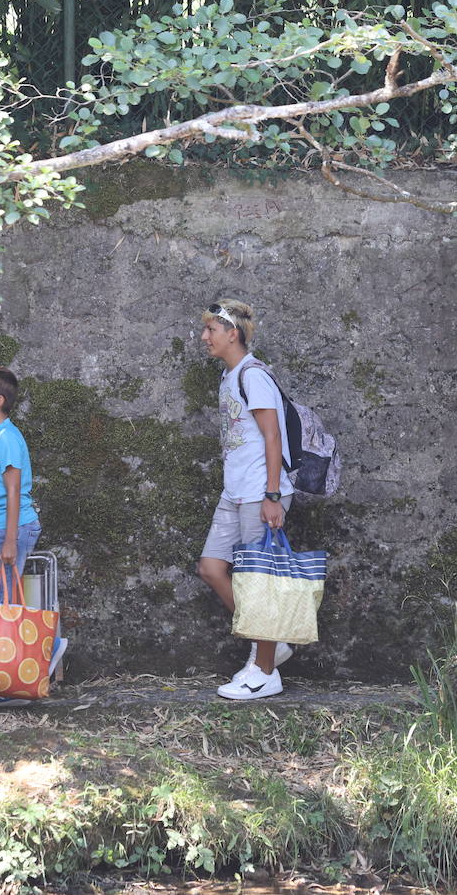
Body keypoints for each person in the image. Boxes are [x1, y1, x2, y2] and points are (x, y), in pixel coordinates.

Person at [195, 299, 295, 700]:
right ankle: (271, 643)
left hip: (260, 493)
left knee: (258, 584)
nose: (205, 337)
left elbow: (273, 437)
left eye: (211, 331)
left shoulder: (253, 376)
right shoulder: (229, 375)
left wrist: (272, 495)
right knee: (211, 568)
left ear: (232, 333)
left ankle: (265, 671)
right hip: (235, 492)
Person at [0, 365, 62, 706]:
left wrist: (9, 541)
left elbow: (15, 490)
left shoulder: (7, 438)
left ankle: (5, 686)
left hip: (13, 528)